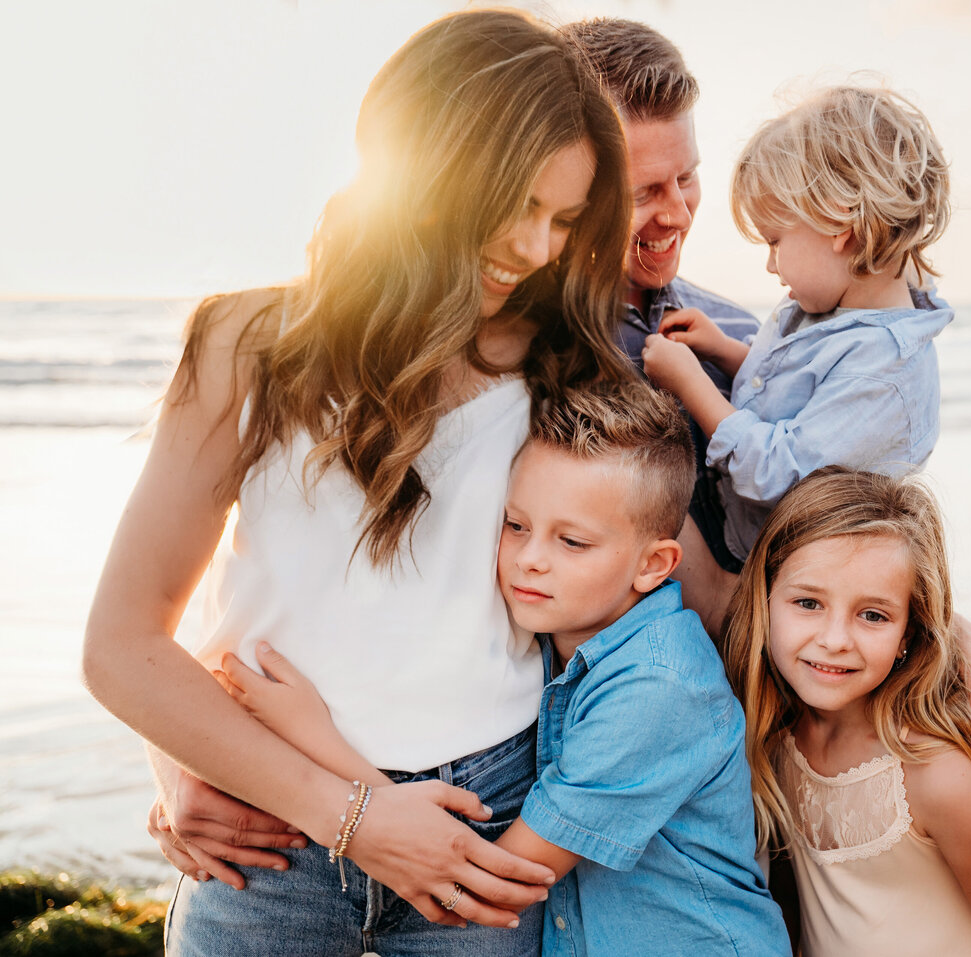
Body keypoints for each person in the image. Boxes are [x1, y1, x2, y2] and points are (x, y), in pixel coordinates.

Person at [81, 9, 635, 955]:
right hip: (268, 832)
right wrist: (324, 806)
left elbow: (667, 586)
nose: (539, 248)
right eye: (519, 204)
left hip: (484, 825)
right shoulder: (247, 347)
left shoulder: (563, 365)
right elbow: (122, 643)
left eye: (565, 220)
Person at [212, 382, 791, 957]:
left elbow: (492, 882)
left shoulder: (658, 687)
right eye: (516, 526)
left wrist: (316, 740)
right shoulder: (565, 637)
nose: (530, 559)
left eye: (572, 541)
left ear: (653, 565)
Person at [723, 467, 971, 957]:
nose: (835, 640)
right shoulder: (774, 738)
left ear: (907, 634)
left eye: (873, 615)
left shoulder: (938, 777)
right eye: (808, 603)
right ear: (765, 601)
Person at [643, 83, 953, 565]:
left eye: (775, 241)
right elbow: (798, 392)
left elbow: (781, 473)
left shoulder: (883, 370)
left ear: (838, 225)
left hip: (775, 576)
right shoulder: (832, 308)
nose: (771, 265)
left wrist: (690, 384)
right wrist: (725, 351)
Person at [560, 18, 759, 576]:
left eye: (686, 177)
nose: (678, 215)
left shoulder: (741, 337)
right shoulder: (530, 352)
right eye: (644, 191)